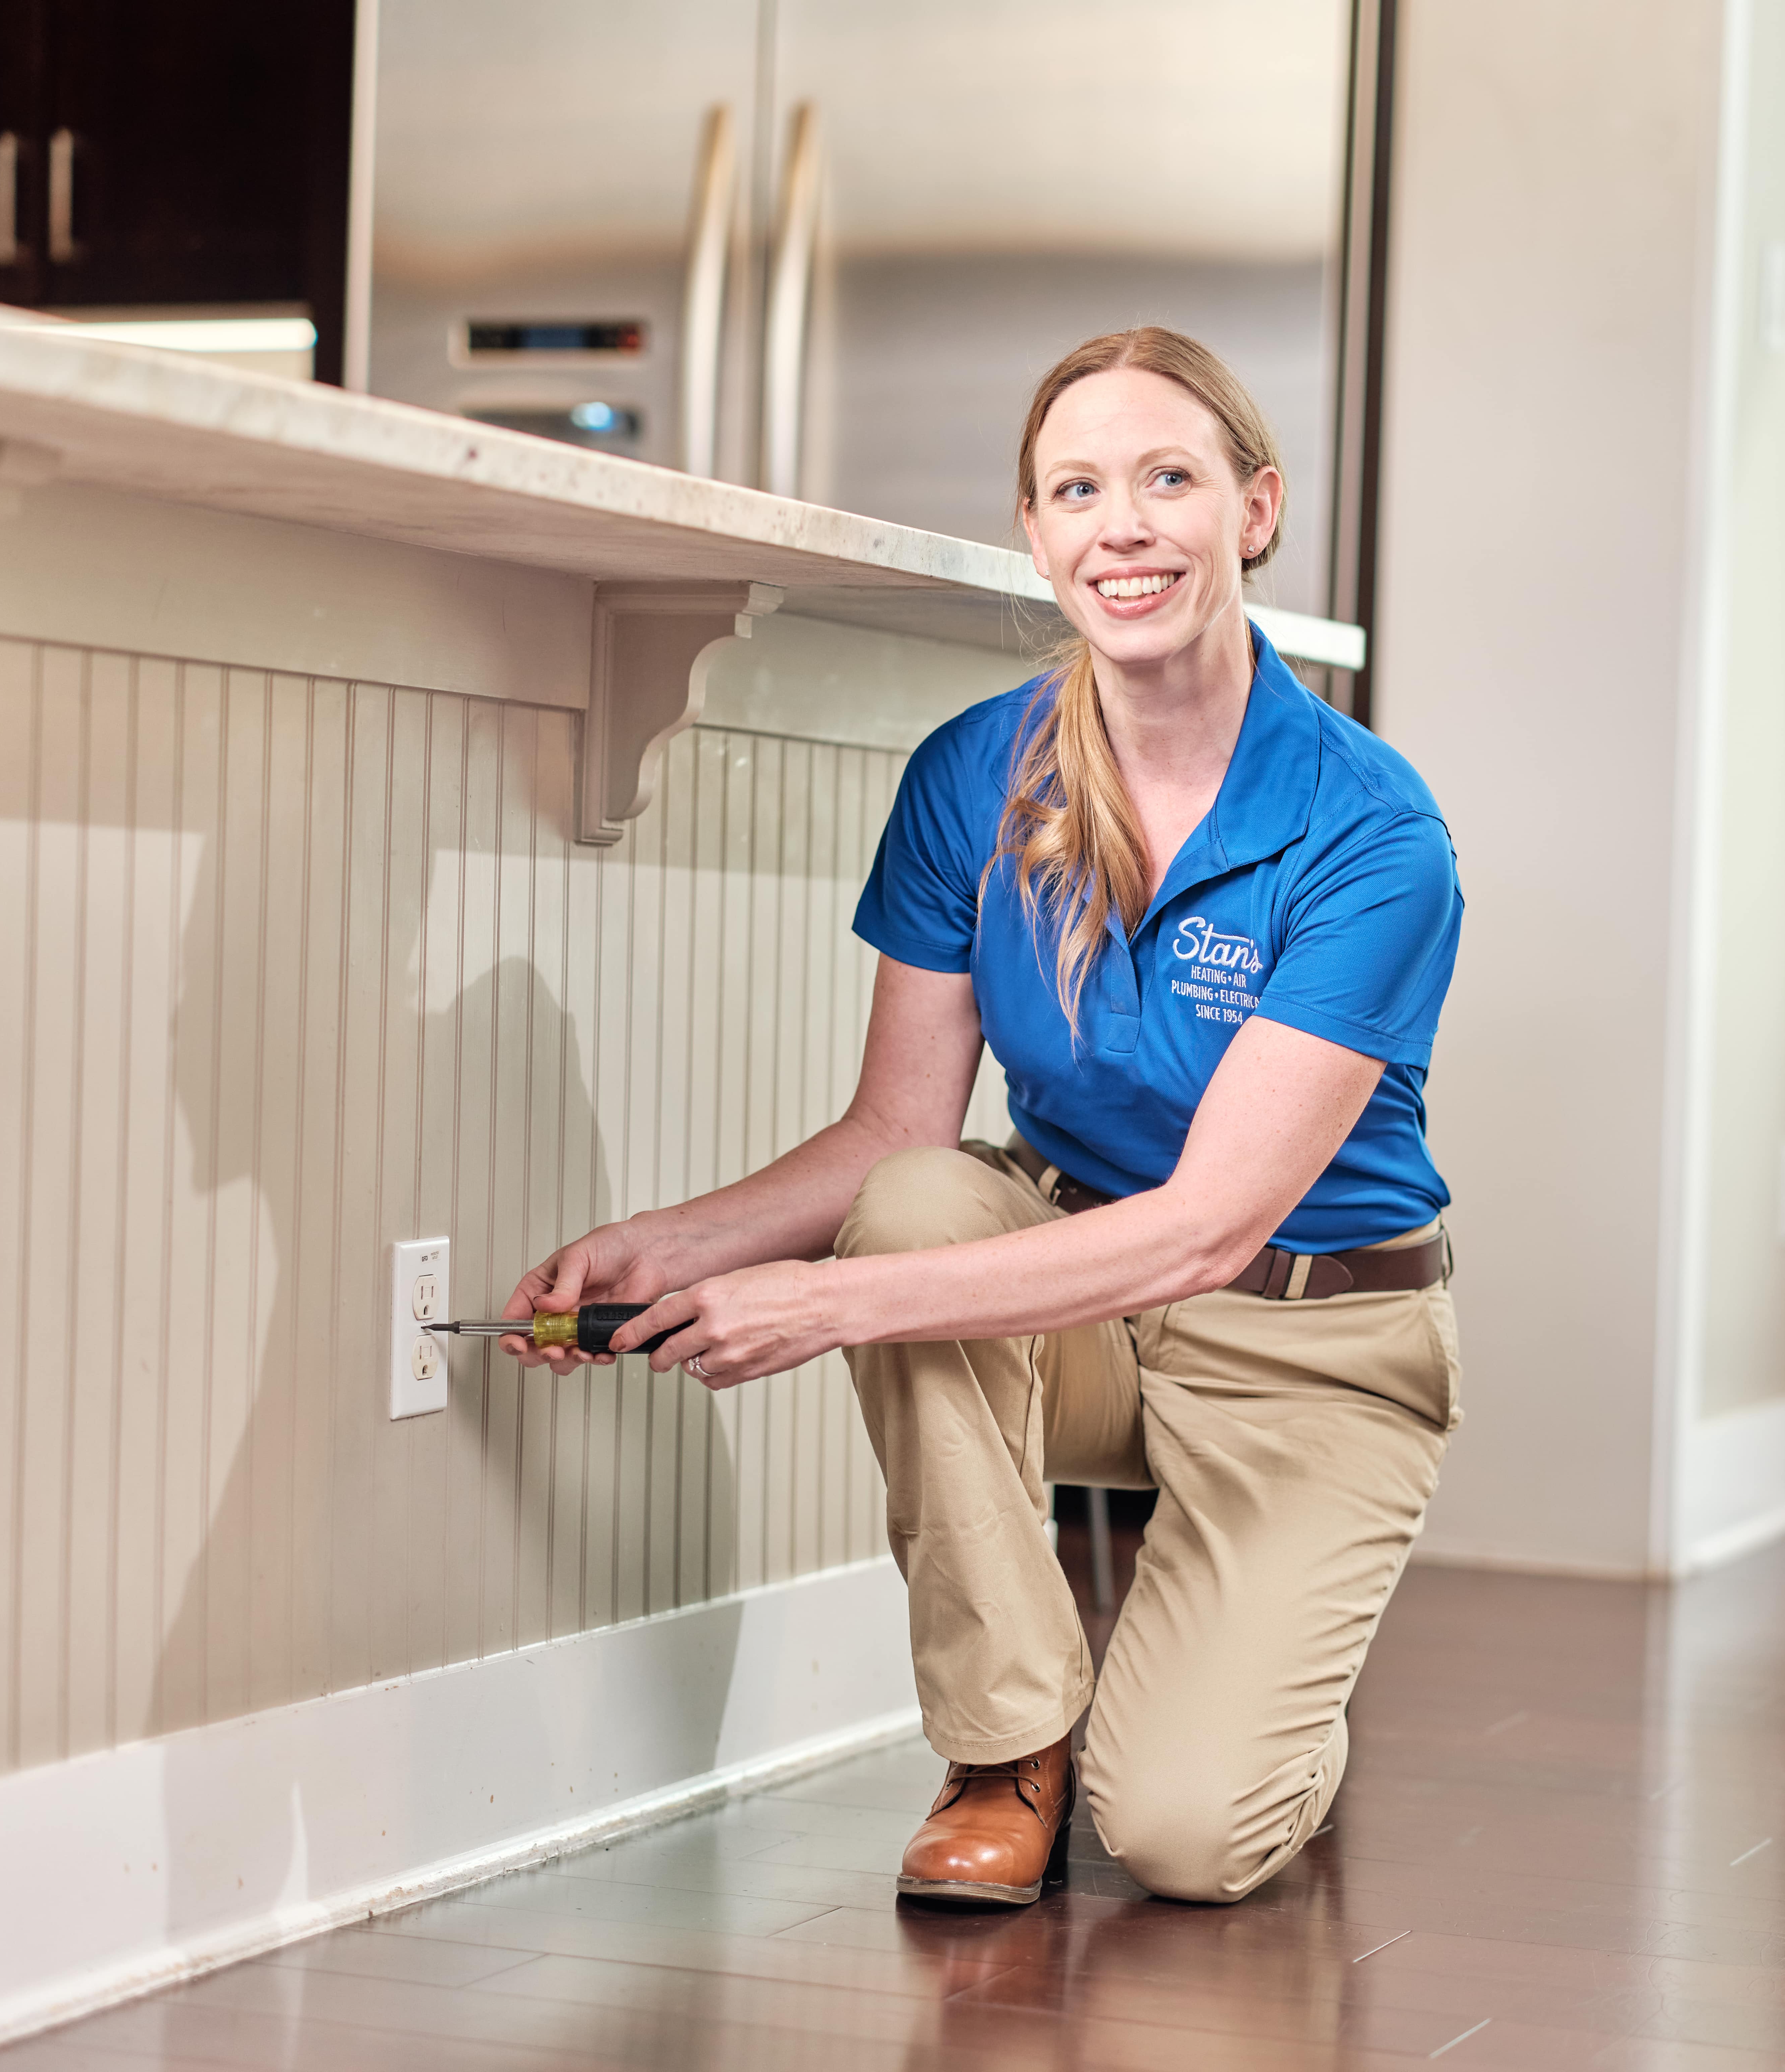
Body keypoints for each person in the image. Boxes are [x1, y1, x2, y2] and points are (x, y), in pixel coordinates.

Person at [500, 326, 1463, 1907]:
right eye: (1077, 489)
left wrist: (819, 1306)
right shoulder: (976, 778)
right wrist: (664, 1246)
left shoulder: (1371, 830)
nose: (1124, 527)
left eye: (1171, 479)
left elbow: (1212, 1225)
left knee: (1188, 1839)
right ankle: (1008, 1744)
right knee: (925, 1203)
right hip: (1072, 1293)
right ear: (1036, 533)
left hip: (1313, 1339)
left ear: (1258, 510)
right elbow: (894, 1134)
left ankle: (1261, 1712)